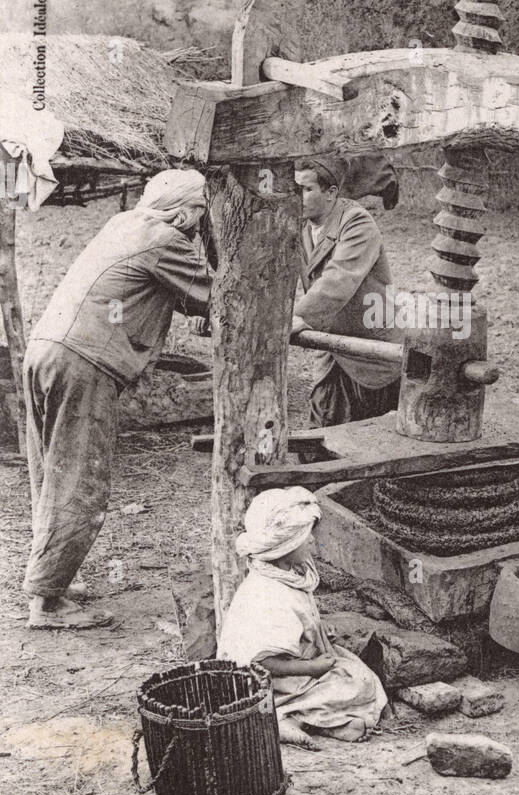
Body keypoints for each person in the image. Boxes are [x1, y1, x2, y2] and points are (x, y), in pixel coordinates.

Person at [23, 168, 211, 630]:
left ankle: (51, 579)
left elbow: (171, 291)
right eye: (201, 214)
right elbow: (221, 295)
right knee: (79, 477)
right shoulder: (165, 239)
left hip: (46, 348)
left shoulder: (125, 223)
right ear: (186, 213)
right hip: (84, 360)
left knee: (52, 471)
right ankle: (47, 603)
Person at [217, 486, 387, 747]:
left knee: (360, 676)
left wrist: (317, 628)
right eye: (306, 536)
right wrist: (311, 668)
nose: (312, 541)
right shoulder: (269, 594)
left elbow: (297, 620)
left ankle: (326, 723)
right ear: (287, 544)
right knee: (358, 684)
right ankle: (287, 719)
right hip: (269, 681)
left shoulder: (287, 573)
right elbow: (263, 662)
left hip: (294, 666)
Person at [292, 157, 401, 426]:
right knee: (319, 434)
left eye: (306, 189)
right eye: (295, 190)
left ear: (331, 193)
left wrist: (293, 318)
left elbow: (337, 282)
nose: (298, 197)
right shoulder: (303, 228)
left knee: (372, 438)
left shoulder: (357, 224)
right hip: (332, 349)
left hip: (371, 351)